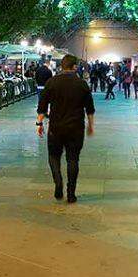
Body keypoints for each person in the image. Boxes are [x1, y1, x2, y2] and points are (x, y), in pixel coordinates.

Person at [37, 54, 95, 203]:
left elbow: (42, 106)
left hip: (56, 127)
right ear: (75, 67)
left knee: (53, 156)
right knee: (73, 159)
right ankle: (71, 193)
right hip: (76, 128)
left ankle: (58, 182)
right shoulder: (82, 84)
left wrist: (39, 123)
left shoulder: (52, 82)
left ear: (62, 66)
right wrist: (91, 126)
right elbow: (89, 108)